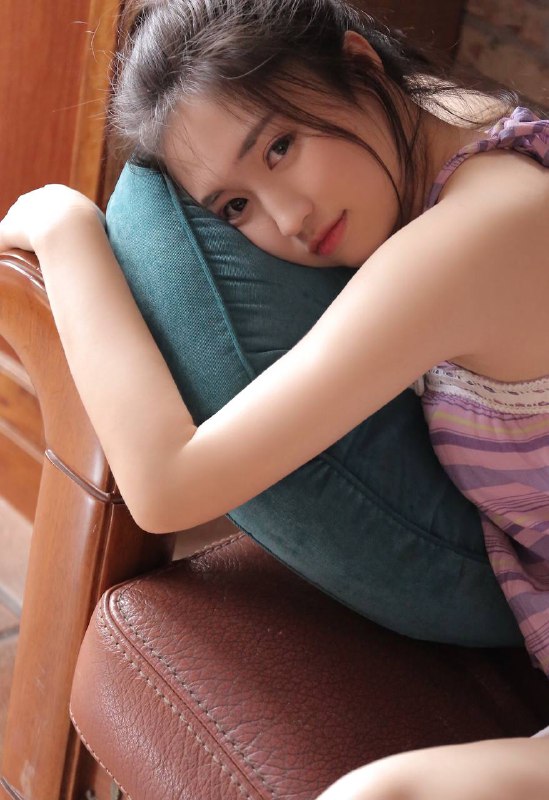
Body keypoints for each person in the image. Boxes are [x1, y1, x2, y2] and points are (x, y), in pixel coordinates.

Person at [1, 0, 548, 796]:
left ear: (360, 64)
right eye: (235, 207)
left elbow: (168, 485)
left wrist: (65, 227)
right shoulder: (443, 125)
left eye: (280, 146)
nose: (289, 219)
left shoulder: (480, 231)